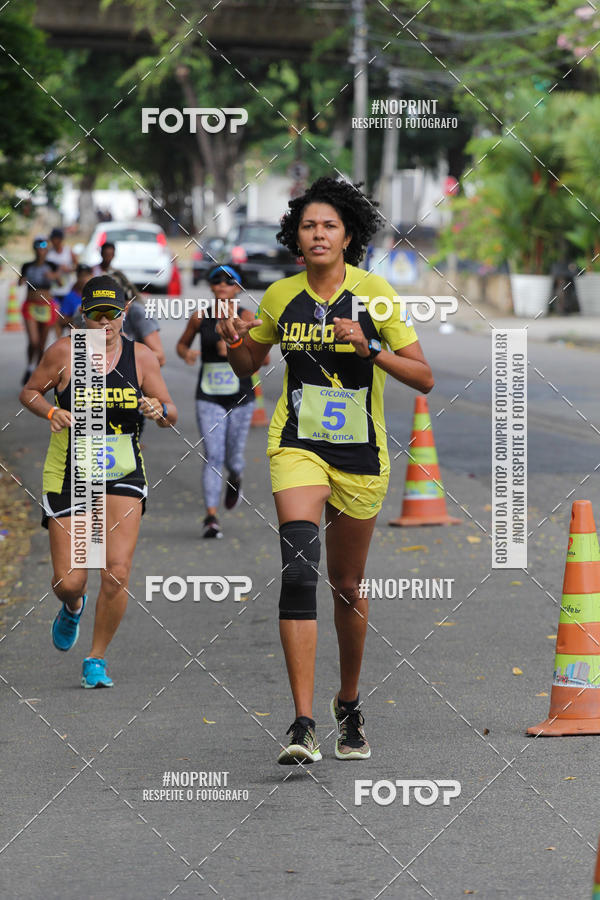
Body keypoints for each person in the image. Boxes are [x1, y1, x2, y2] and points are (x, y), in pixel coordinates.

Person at [217, 176, 434, 764]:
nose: (318, 234)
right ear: (297, 235)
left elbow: (422, 376)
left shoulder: (376, 293)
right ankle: (302, 723)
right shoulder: (281, 295)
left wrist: (369, 347)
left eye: (329, 226)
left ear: (347, 236)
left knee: (347, 587)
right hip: (297, 446)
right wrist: (232, 340)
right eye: (309, 225)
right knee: (298, 570)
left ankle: (348, 701)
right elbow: (247, 365)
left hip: (360, 454)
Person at [19, 275, 177, 689]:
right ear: (83, 318)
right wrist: (51, 413)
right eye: (96, 315)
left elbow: (170, 412)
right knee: (70, 579)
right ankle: (72, 606)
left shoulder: (141, 358)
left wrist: (158, 409)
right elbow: (31, 392)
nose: (105, 322)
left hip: (122, 471)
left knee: (116, 570)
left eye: (113, 314)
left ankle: (96, 658)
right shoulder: (64, 353)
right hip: (70, 471)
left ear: (124, 314)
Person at [176, 265, 266, 538]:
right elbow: (181, 345)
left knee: (233, 458)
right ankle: (211, 518)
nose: (223, 285)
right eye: (217, 281)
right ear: (212, 287)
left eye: (229, 281)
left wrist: (237, 345)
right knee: (213, 456)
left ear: (238, 287)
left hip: (241, 396)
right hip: (209, 396)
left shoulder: (248, 317)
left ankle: (236, 476)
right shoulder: (200, 317)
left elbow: (265, 357)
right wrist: (187, 354)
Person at [19, 236, 62, 384]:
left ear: (47, 249)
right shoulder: (27, 266)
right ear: (34, 249)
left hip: (46, 306)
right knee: (34, 341)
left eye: (43, 247)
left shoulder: (52, 265)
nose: (41, 250)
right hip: (31, 306)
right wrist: (21, 280)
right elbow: (19, 283)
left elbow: (60, 282)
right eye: (38, 247)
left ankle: (37, 372)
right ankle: (30, 366)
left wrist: (54, 276)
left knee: (42, 343)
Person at [46, 227, 76, 324]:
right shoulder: (48, 253)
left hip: (67, 290)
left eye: (55, 238)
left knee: (68, 319)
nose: (53, 241)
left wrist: (68, 269)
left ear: (60, 239)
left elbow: (77, 266)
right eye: (52, 239)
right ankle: (59, 338)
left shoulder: (68, 251)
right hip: (53, 291)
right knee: (56, 319)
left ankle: (69, 338)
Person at [54, 263, 93, 336]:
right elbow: (61, 320)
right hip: (78, 336)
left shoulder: (96, 296)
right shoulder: (70, 297)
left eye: (86, 275)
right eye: (81, 275)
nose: (84, 278)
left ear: (91, 276)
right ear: (77, 277)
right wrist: (78, 318)